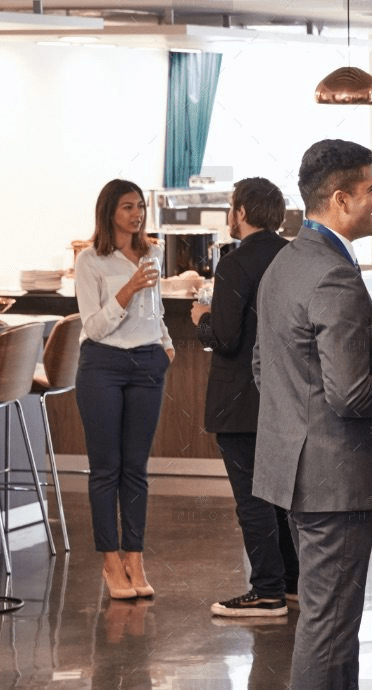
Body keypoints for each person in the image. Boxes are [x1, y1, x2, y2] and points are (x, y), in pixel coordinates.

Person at [253, 139, 372, 689]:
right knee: (329, 626)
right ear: (341, 199)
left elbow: (263, 367)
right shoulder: (334, 275)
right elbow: (350, 396)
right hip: (335, 480)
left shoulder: (285, 262)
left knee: (332, 622)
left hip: (297, 473)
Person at [192, 177, 299, 617]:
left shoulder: (235, 264)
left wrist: (202, 319)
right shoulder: (294, 257)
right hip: (287, 398)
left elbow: (226, 338)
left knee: (252, 500)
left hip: (239, 402)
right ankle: (291, 583)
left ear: (241, 211)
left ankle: (267, 591)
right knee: (280, 496)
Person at [74, 179, 174, 600]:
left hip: (148, 363)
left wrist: (166, 344)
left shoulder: (153, 253)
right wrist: (129, 288)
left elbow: (156, 308)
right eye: (127, 207)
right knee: (106, 469)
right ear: (109, 212)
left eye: (140, 207)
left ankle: (135, 556)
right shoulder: (89, 261)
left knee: (136, 468)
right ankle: (110, 560)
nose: (136, 214)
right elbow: (94, 326)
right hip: (103, 365)